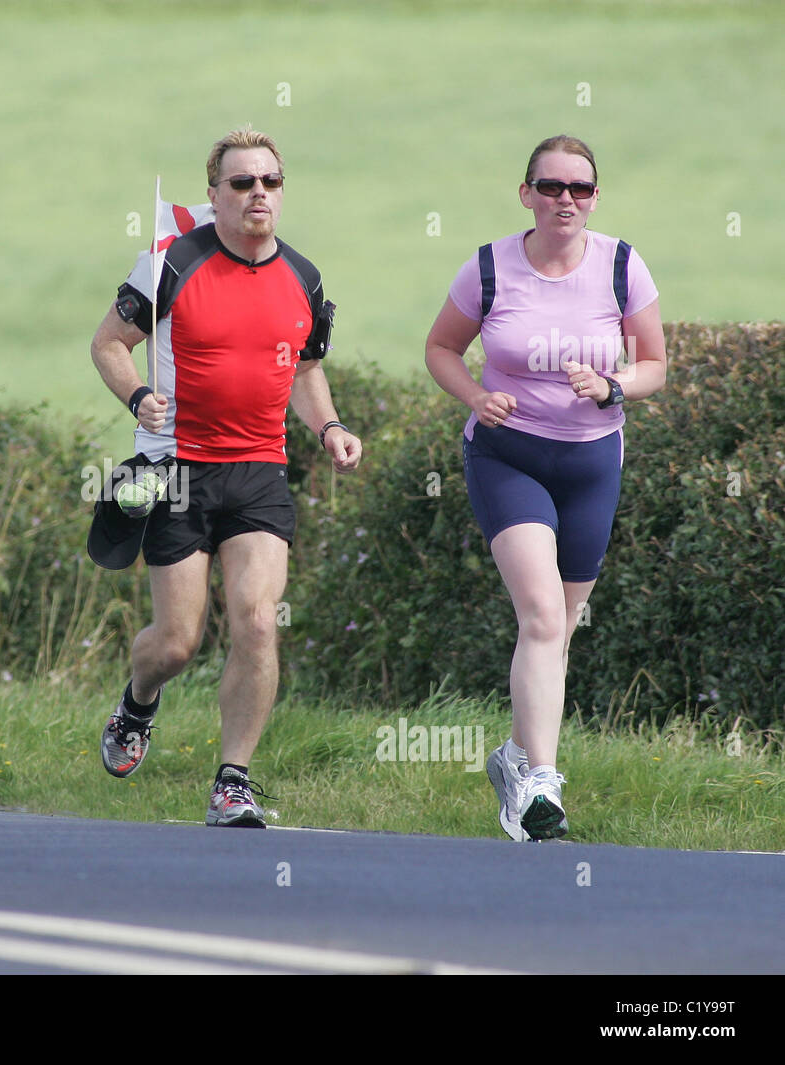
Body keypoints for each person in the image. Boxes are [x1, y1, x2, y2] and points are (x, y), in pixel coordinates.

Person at [89, 126, 362, 827]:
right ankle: (138, 701)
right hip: (178, 471)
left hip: (259, 473)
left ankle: (233, 780)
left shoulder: (305, 278)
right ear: (214, 195)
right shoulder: (172, 263)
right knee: (177, 641)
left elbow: (305, 369)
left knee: (257, 622)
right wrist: (135, 397)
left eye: (268, 181)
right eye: (241, 183)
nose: (257, 194)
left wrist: (329, 427)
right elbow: (109, 343)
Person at [424, 134, 667, 841]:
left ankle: (514, 757)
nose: (566, 200)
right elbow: (441, 347)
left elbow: (654, 362)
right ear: (526, 193)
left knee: (557, 633)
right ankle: (542, 785)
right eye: (551, 187)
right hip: (509, 460)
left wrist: (615, 384)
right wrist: (475, 394)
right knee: (539, 615)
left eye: (580, 189)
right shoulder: (489, 268)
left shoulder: (623, 266)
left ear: (595, 198)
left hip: (592, 463)